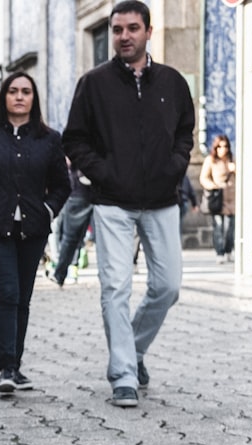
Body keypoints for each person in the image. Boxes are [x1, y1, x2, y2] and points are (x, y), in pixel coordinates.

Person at [62, 0, 195, 408]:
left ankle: (133, 350)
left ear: (148, 32)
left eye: (132, 28)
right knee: (115, 287)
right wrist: (103, 172)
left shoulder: (172, 82)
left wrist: (174, 166)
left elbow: (185, 133)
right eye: (117, 29)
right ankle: (123, 374)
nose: (124, 36)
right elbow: (74, 139)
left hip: (161, 199)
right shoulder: (94, 83)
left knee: (168, 286)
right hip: (112, 202)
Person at [0, 71, 70, 392]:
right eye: (13, 91)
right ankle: (6, 368)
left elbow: (63, 184)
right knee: (7, 293)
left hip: (33, 229)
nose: (19, 97)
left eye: (26, 92)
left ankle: (16, 367)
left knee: (23, 298)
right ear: (4, 97)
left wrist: (47, 210)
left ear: (34, 99)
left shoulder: (49, 138)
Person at [49, 163, 94, 287]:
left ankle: (62, 273)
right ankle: (62, 272)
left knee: (71, 238)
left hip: (90, 192)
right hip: (80, 192)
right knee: (70, 237)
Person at [199, 134, 236, 263]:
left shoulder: (232, 160)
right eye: (220, 146)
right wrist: (214, 186)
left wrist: (235, 169)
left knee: (230, 228)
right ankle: (220, 252)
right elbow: (204, 178)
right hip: (217, 200)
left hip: (232, 200)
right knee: (218, 227)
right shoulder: (211, 160)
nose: (223, 149)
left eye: (225, 146)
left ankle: (229, 250)